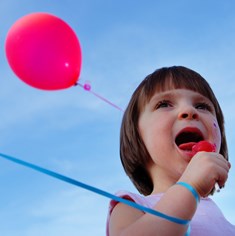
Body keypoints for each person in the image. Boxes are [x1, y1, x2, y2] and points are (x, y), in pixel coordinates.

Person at [106, 66, 235, 235]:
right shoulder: (131, 206)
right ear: (137, 136)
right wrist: (190, 186)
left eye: (202, 106)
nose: (189, 111)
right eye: (164, 104)